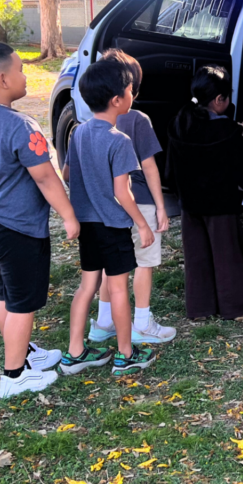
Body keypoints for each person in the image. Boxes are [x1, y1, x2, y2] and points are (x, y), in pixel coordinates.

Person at [0, 43, 74, 398]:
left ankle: (23, 354)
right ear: (3, 78)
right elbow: (45, 177)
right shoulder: (21, 125)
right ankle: (13, 375)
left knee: (7, 294)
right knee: (24, 300)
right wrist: (69, 215)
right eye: (21, 69)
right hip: (18, 228)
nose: (25, 76)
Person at [62, 55, 157, 376]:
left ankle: (75, 352)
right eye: (131, 91)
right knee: (118, 289)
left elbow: (67, 173)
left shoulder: (78, 133)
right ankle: (125, 354)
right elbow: (122, 192)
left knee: (87, 286)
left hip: (87, 225)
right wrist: (142, 224)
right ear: (118, 100)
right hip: (113, 226)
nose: (134, 95)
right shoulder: (121, 141)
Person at [87, 51, 175, 346]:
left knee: (111, 266)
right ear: (130, 88)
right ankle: (142, 322)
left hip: (105, 207)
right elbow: (149, 166)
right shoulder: (138, 119)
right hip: (139, 201)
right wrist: (161, 206)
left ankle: (103, 322)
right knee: (143, 263)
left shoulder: (92, 122)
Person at [166, 65, 243, 320]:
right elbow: (241, 172)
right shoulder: (227, 131)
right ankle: (238, 308)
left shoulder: (178, 124)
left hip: (189, 204)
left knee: (196, 257)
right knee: (227, 254)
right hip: (220, 204)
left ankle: (199, 308)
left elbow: (170, 171)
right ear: (219, 99)